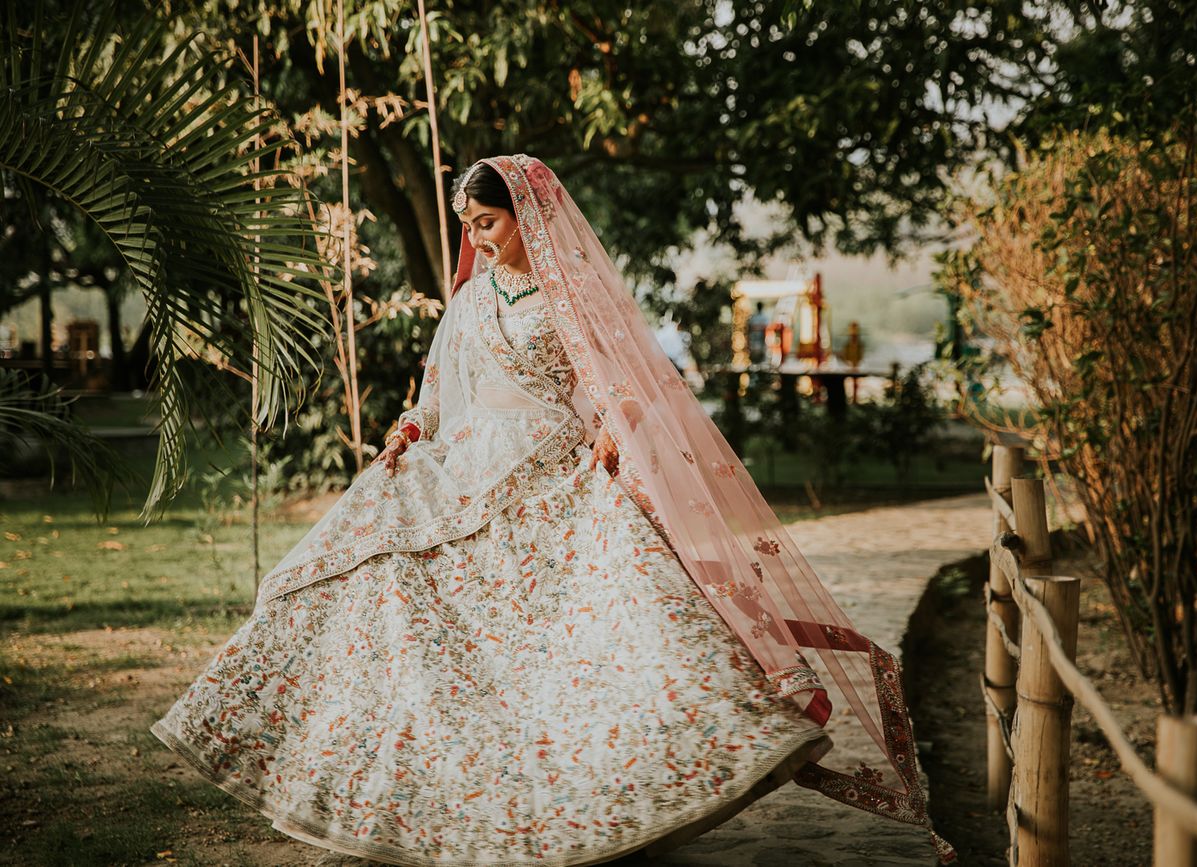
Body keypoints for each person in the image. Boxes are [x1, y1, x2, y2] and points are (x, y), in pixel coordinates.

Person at [150, 155, 954, 866]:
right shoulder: (468, 300)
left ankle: (603, 796)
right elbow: (437, 387)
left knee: (602, 636)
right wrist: (409, 427)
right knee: (367, 579)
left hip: (556, 470)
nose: (480, 237)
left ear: (526, 213)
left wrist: (610, 430)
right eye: (469, 224)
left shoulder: (575, 300)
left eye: (488, 221)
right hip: (461, 467)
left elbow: (628, 384)